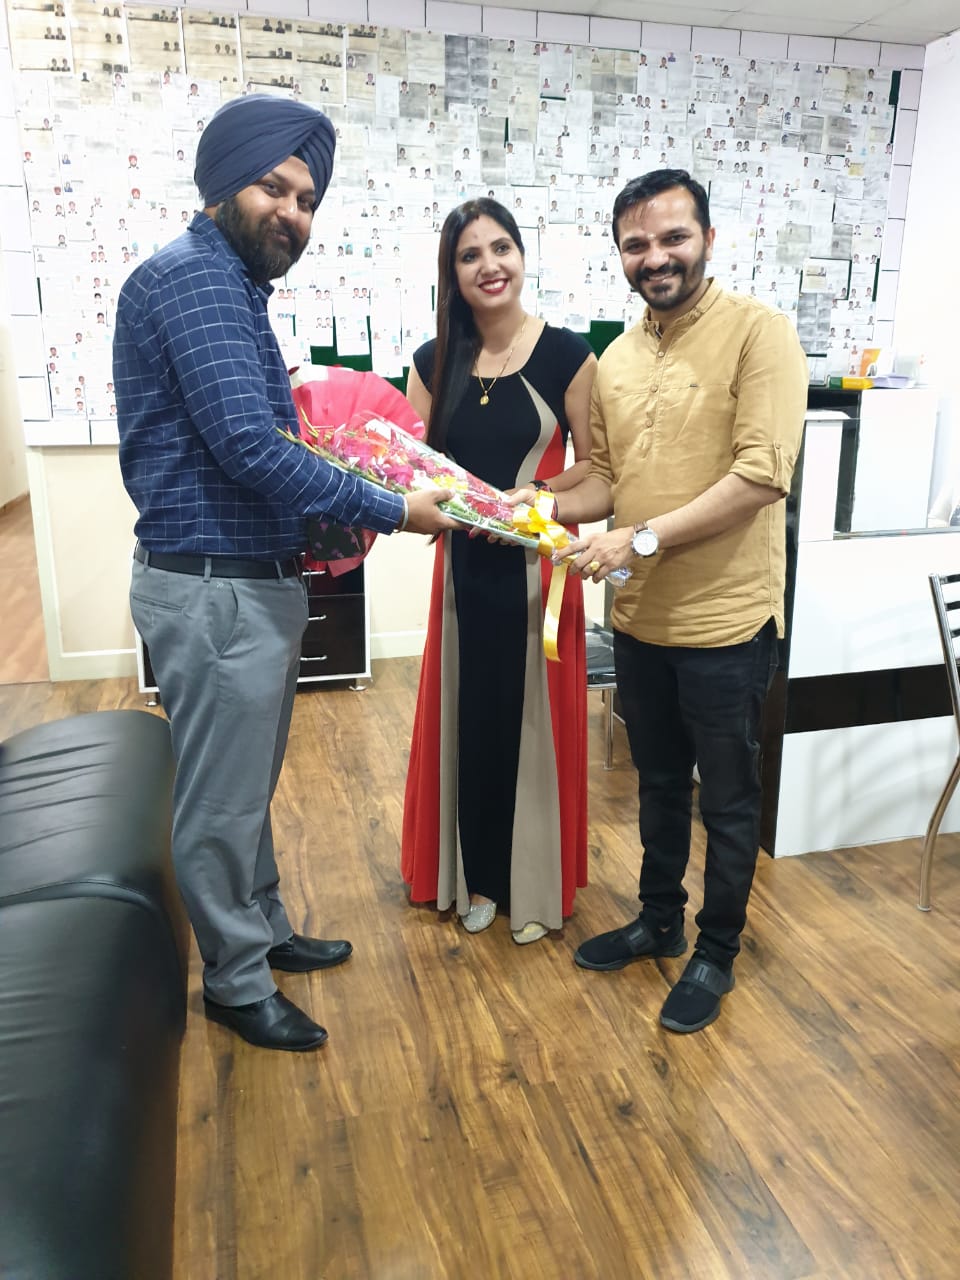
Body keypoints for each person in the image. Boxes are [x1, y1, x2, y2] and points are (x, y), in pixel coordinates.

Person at [113, 95, 456, 1054]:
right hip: (215, 586)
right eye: (275, 188)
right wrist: (394, 506)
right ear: (225, 182)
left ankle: (262, 929)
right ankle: (234, 980)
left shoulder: (226, 284)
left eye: (307, 199)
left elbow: (256, 441)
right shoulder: (196, 280)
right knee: (222, 800)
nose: (293, 213)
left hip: (241, 582)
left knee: (245, 786)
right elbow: (249, 448)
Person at [513, 169, 806, 1032]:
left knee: (729, 798)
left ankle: (717, 950)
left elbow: (762, 475)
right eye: (636, 244)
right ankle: (659, 919)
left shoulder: (760, 334)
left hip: (726, 621)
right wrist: (529, 503)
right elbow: (606, 477)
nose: (656, 257)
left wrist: (637, 541)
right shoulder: (618, 358)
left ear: (708, 239)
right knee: (659, 783)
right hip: (641, 617)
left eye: (673, 238)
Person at [401, 198, 596, 944]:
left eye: (501, 248)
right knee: (470, 723)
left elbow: (602, 475)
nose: (489, 265)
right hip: (461, 576)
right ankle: (475, 877)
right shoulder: (432, 362)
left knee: (533, 729)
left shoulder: (569, 355)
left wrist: (539, 496)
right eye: (470, 254)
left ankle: (532, 882)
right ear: (451, 273)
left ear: (521, 255)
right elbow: (412, 473)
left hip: (539, 579)